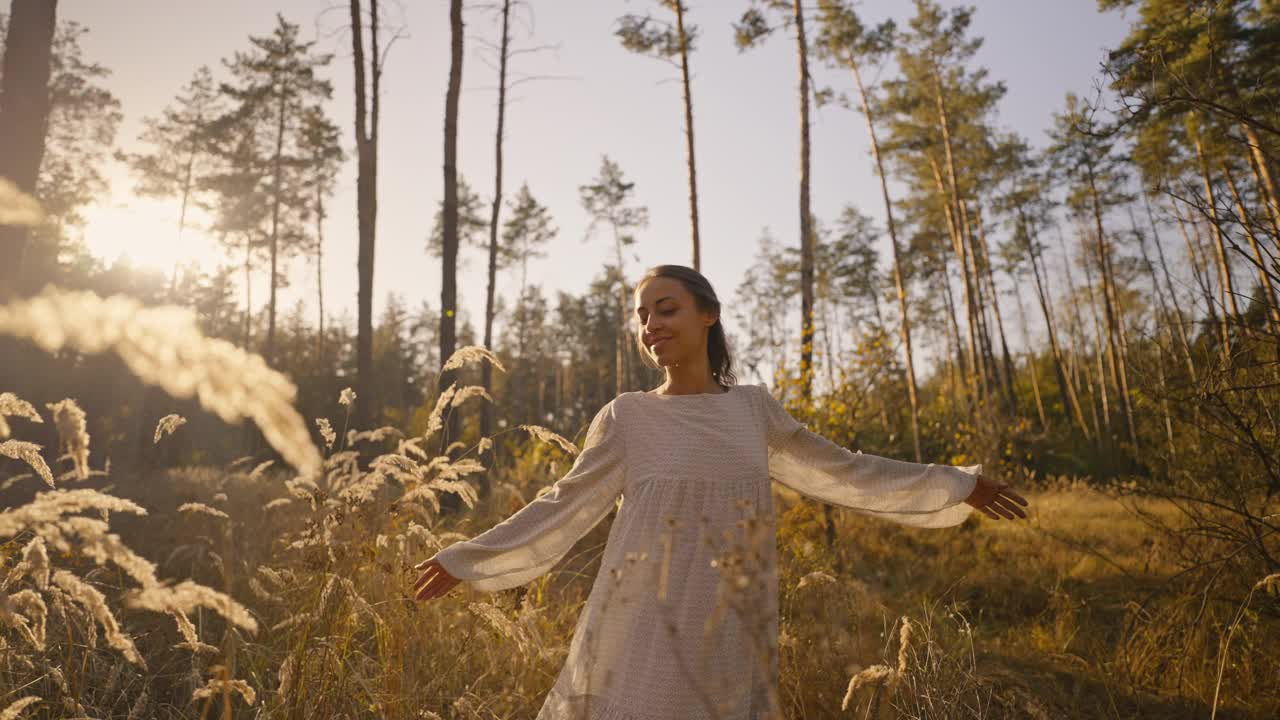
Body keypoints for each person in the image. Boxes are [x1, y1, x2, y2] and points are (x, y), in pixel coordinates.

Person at [412, 264, 1028, 720]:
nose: (651, 324)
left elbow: (845, 469)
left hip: (731, 622)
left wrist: (956, 483)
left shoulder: (753, 410)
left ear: (708, 313)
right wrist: (467, 557)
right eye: (642, 314)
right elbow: (562, 504)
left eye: (667, 308)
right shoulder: (627, 416)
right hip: (642, 623)